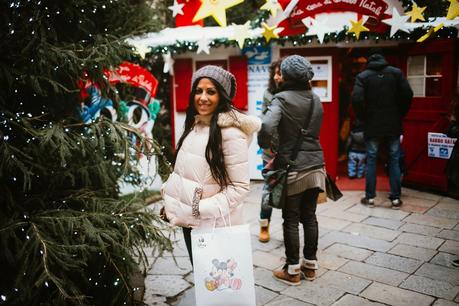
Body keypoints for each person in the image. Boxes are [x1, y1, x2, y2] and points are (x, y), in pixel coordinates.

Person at [161, 65, 261, 264]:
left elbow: (239, 188)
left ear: (222, 96)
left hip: (213, 224)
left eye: (211, 92)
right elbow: (184, 174)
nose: (203, 97)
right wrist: (171, 200)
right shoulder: (195, 125)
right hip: (191, 222)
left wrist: (198, 208)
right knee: (203, 279)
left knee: (216, 283)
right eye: (198, 91)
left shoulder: (231, 133)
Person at [258, 55, 326, 285]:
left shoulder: (281, 99)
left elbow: (267, 127)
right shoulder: (316, 99)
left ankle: (292, 270)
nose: (277, 76)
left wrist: (264, 143)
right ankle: (310, 267)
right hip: (317, 166)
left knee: (290, 218)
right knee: (310, 216)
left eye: (281, 73)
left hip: (294, 167)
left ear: (287, 76)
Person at [352, 48, 413, 209]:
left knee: (371, 159)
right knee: (394, 159)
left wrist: (363, 117)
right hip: (393, 122)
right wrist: (401, 113)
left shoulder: (363, 76)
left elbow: (356, 99)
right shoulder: (396, 73)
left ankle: (370, 198)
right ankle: (395, 199)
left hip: (372, 123)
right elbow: (408, 94)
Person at [259, 59, 282, 243]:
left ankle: (287, 227)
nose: (276, 76)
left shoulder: (296, 94)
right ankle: (264, 226)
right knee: (268, 189)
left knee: (289, 192)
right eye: (274, 72)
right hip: (270, 151)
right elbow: (263, 117)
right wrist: (265, 144)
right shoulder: (268, 93)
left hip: (290, 152)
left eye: (279, 72)